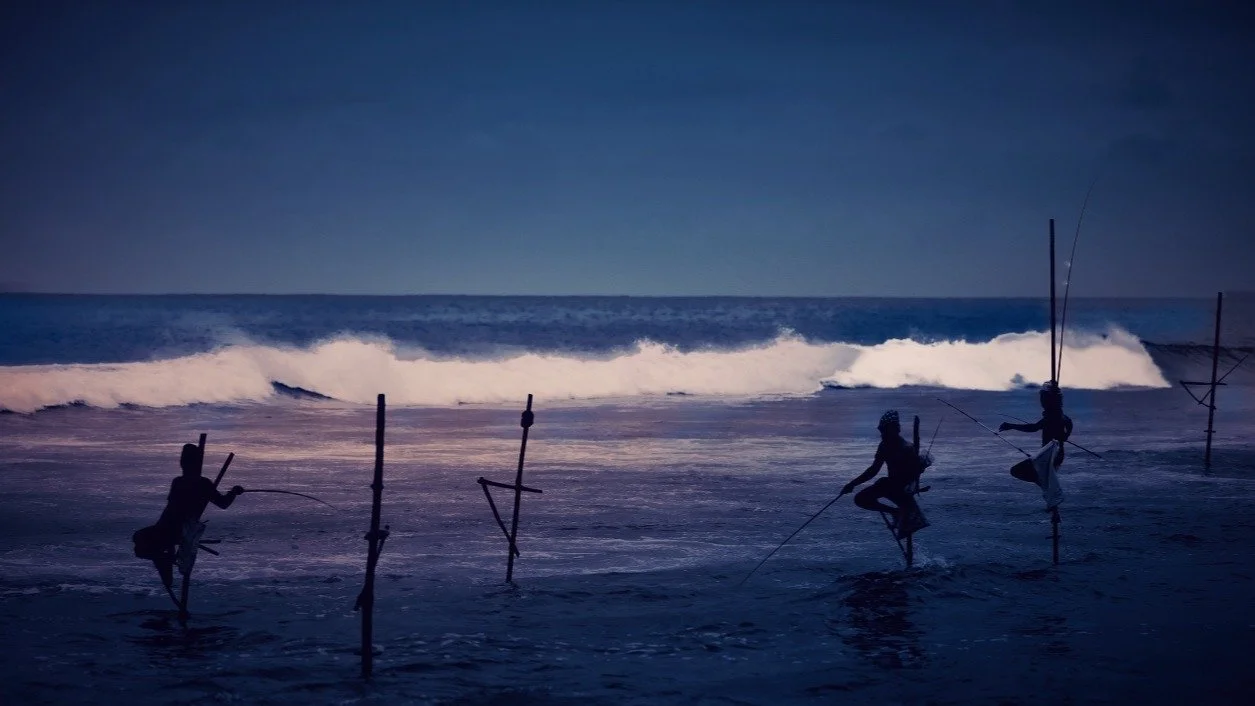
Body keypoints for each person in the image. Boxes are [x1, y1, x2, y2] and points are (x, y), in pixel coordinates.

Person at [132, 443, 243, 589]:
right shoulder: (182, 482)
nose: (183, 464)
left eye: (185, 461)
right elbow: (171, 507)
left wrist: (233, 492)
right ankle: (164, 560)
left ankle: (164, 561)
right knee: (140, 542)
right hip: (166, 526)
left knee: (143, 544)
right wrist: (233, 492)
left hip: (179, 529)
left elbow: (223, 503)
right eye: (183, 460)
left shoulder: (201, 483)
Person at [842, 410, 928, 534]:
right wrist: (852, 484)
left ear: (894, 430)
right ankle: (895, 512)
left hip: (902, 489)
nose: (882, 434)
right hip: (890, 485)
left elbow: (913, 475)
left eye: (885, 430)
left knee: (883, 487)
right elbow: (873, 470)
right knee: (860, 499)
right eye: (881, 431)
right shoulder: (884, 446)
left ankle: (900, 513)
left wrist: (918, 471)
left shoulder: (907, 449)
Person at [999, 381, 1073, 485]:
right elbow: (1069, 422)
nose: (1041, 401)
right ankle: (1042, 479)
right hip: (1054, 455)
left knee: (1016, 471)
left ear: (1047, 400)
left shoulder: (1052, 416)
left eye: (1043, 398)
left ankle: (1041, 480)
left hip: (1049, 457)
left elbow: (1033, 428)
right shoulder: (1059, 414)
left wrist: (1011, 426)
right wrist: (1066, 435)